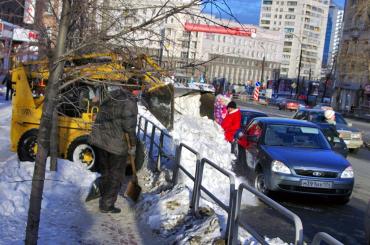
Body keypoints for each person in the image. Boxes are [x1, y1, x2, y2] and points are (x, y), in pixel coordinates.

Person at [88, 87, 138, 213]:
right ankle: (107, 204)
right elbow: (129, 127)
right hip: (116, 144)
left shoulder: (112, 95)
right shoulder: (130, 101)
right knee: (116, 175)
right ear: (137, 90)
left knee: (106, 170)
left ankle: (103, 193)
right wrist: (133, 145)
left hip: (101, 139)